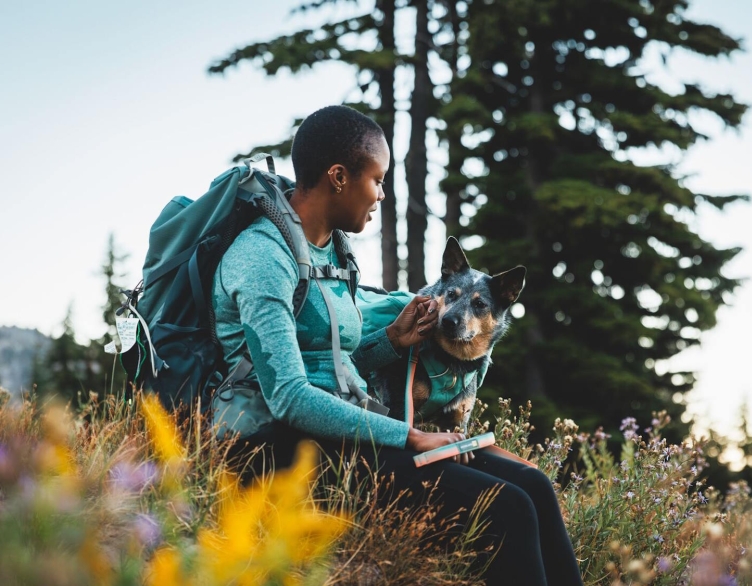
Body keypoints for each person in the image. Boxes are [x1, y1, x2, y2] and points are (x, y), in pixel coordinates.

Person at [212, 105, 583, 586]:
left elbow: (332, 363)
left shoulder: (333, 251)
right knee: (506, 508)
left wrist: (391, 341)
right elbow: (288, 395)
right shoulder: (265, 257)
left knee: (533, 484)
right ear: (339, 177)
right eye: (377, 179)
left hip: (350, 429)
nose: (382, 194)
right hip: (289, 450)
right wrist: (411, 436)